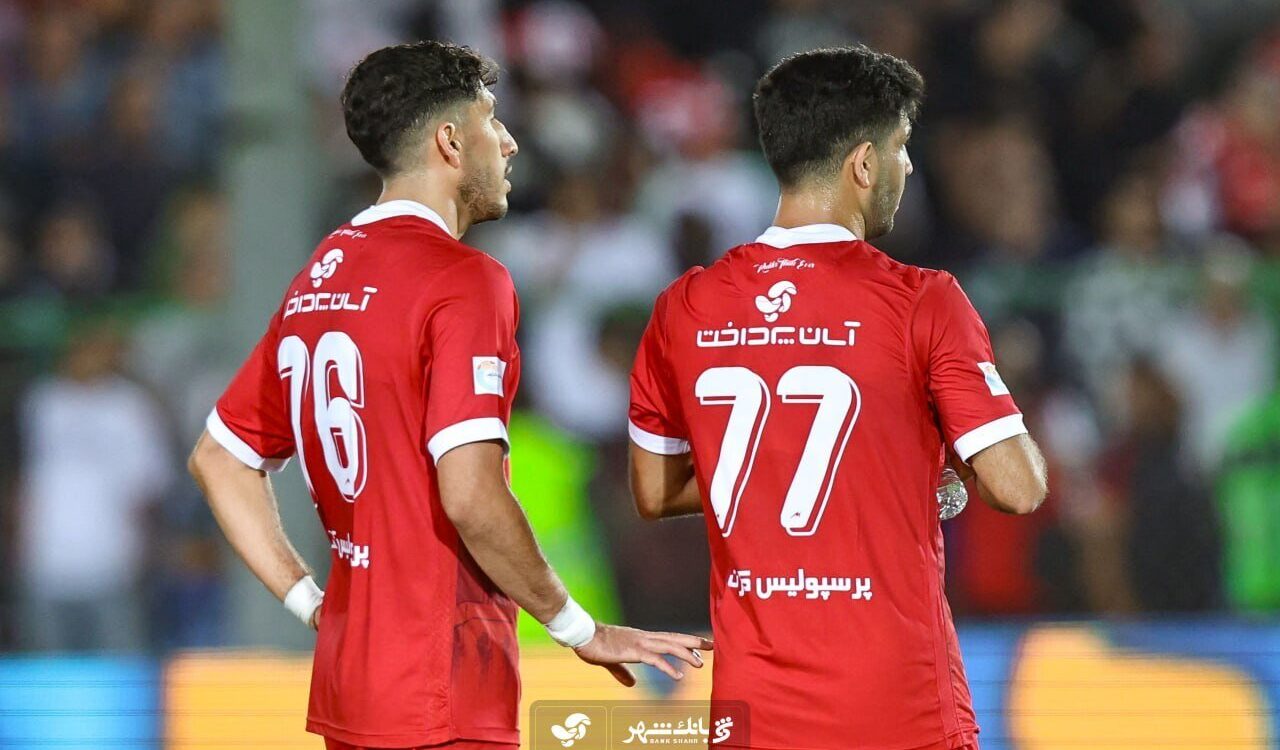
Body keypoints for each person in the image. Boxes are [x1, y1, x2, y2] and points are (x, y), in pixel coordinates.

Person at [188, 41, 708, 750]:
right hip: (440, 683)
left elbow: (220, 457)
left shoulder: (321, 275)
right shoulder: (461, 279)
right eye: (493, 121)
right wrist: (579, 629)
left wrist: (311, 600)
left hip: (353, 679)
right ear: (451, 141)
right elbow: (468, 495)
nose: (510, 143)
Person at [627, 46, 1047, 750]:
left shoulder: (684, 307)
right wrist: (916, 465)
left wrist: (850, 468)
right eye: (901, 147)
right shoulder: (924, 301)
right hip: (899, 708)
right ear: (864, 163)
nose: (908, 168)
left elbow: (654, 489)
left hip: (754, 713)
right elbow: (1018, 486)